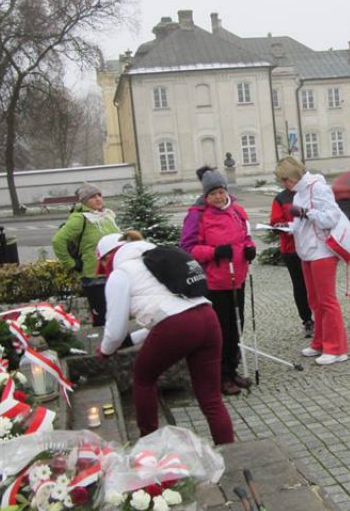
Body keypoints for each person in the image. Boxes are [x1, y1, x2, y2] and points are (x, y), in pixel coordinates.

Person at [96, 231, 234, 445]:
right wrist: (130, 341)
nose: (105, 270)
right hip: (208, 317)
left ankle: (149, 444)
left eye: (103, 264)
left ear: (108, 257)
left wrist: (105, 350)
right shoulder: (158, 258)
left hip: (177, 326)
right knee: (211, 398)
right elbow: (170, 312)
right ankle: (230, 451)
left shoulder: (121, 273)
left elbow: (115, 330)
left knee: (143, 379)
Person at [180, 169, 256, 395]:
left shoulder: (236, 210)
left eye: (221, 192)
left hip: (237, 278)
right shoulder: (197, 215)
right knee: (220, 330)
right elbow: (187, 248)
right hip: (214, 282)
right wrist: (214, 252)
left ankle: (231, 370)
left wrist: (250, 248)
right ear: (206, 195)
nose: (218, 197)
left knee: (236, 325)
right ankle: (220, 376)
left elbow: (246, 237)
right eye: (213, 194)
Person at [273, 156, 350, 365]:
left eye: (284, 180)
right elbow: (300, 224)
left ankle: (336, 349)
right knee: (315, 301)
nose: (284, 184)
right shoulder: (299, 193)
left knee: (327, 301)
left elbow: (332, 217)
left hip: (322, 251)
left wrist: (306, 213)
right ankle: (320, 343)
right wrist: (286, 228)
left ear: (293, 175)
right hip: (306, 251)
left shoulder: (319, 188)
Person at [52, 182, 120, 327]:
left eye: (99, 195)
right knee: (103, 318)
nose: (98, 199)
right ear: (84, 201)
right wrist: (71, 264)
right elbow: (58, 240)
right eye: (92, 197)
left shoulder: (106, 215)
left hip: (114, 272)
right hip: (94, 276)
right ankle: (102, 339)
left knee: (116, 316)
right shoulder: (80, 218)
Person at [270, 187, 314, 338]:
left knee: (315, 285)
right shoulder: (281, 198)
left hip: (311, 246)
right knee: (299, 285)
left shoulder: (309, 192)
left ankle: (322, 317)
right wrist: (280, 227)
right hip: (291, 249)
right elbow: (275, 221)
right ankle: (307, 320)